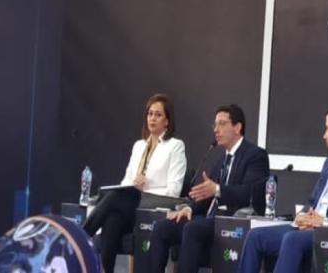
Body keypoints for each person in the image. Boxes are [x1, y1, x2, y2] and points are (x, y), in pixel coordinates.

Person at [237, 103, 328, 273]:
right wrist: (303, 216)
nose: (324, 135)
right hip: (308, 227)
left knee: (292, 239)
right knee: (255, 236)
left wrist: (324, 221)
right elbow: (313, 201)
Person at [146, 104, 269, 273]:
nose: (216, 130)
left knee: (192, 229)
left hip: (231, 220)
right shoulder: (219, 156)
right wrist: (189, 208)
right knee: (161, 227)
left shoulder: (255, 155)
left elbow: (250, 193)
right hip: (209, 218)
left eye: (222, 124)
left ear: (237, 127)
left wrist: (218, 190)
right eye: (215, 125)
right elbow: (206, 193)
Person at [81, 94, 186, 273]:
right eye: (150, 114)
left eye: (158, 115)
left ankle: (81, 237)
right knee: (112, 218)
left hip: (153, 205)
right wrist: (133, 185)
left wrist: (145, 188)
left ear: (167, 121)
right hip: (130, 206)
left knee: (113, 198)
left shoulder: (175, 146)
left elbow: (174, 190)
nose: (152, 118)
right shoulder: (139, 146)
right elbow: (126, 181)